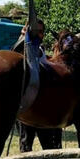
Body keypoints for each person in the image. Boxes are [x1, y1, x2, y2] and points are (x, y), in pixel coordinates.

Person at [14, 19, 63, 151]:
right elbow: (19, 55)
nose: (38, 35)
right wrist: (23, 38)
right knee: (25, 145)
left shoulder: (41, 50)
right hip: (26, 107)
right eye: (35, 31)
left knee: (48, 145)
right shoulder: (23, 49)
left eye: (41, 32)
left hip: (43, 107)